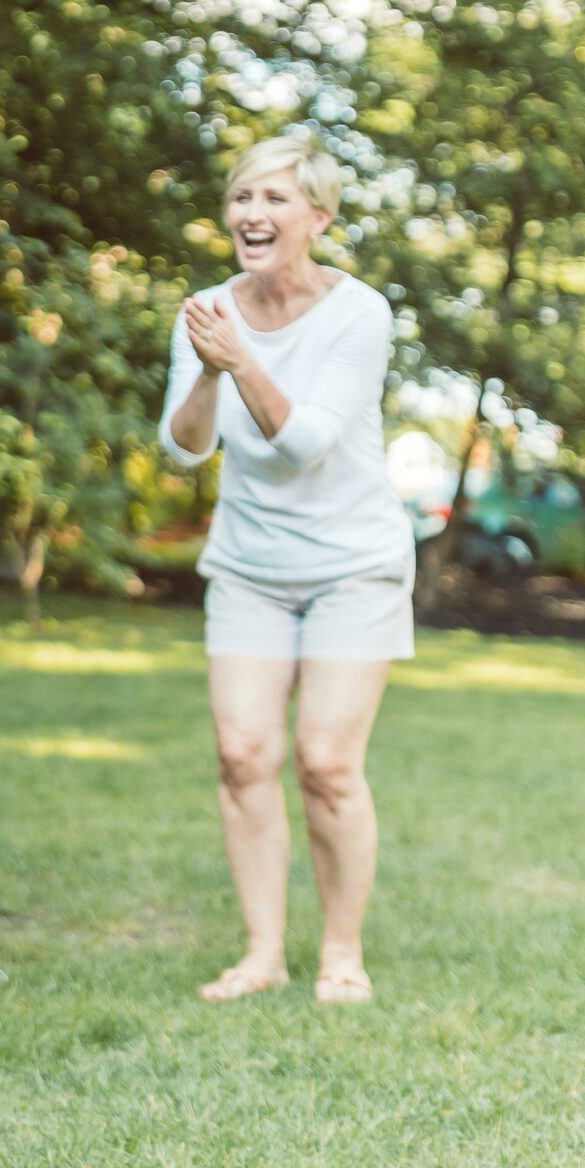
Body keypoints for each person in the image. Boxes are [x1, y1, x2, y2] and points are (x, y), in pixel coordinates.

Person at [157, 133, 410, 1007]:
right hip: (252, 566)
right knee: (242, 752)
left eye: (274, 200)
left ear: (319, 217)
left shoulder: (359, 313)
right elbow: (182, 449)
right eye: (241, 198)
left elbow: (305, 445)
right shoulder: (206, 310)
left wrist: (240, 361)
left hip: (354, 564)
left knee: (327, 760)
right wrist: (204, 371)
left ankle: (342, 951)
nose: (253, 216)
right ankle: (263, 951)